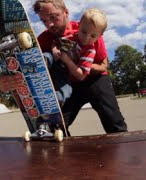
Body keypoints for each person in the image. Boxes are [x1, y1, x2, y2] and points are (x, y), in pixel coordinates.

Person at [33, 0, 127, 135]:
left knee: (113, 121)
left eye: (53, 17)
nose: (50, 25)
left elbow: (104, 65)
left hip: (95, 80)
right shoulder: (44, 39)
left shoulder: (88, 29)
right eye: (44, 21)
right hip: (71, 86)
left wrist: (79, 64)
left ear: (66, 13)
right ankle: (64, 154)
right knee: (56, 127)